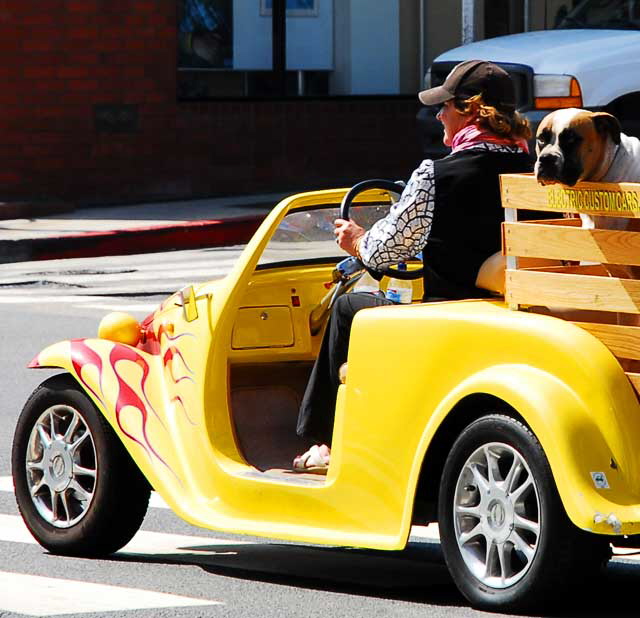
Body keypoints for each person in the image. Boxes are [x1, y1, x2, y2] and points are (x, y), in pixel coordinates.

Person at [293, 60, 533, 473]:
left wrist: (355, 239)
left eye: (445, 106)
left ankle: (326, 441)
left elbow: (386, 251)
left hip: (451, 315)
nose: (438, 114)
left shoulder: (435, 175)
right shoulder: (537, 168)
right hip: (520, 306)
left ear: (470, 109)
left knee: (349, 307)